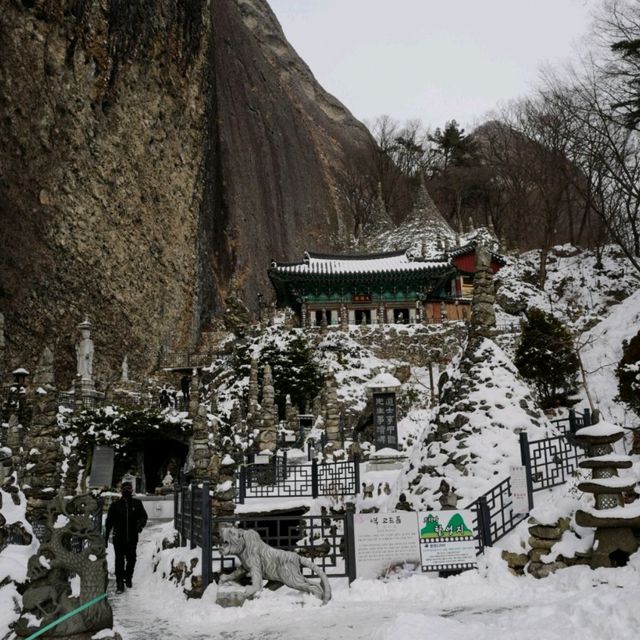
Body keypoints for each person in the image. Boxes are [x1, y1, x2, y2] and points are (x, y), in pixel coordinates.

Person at [105, 481, 148, 593]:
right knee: (119, 561)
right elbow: (109, 522)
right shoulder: (115, 506)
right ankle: (120, 584)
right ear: (121, 491)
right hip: (118, 538)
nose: (127, 491)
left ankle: (128, 577)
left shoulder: (137, 504)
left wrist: (139, 526)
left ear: (132, 490)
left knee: (131, 559)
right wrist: (105, 538)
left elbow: (144, 516)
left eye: (129, 489)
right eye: (125, 489)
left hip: (132, 538)